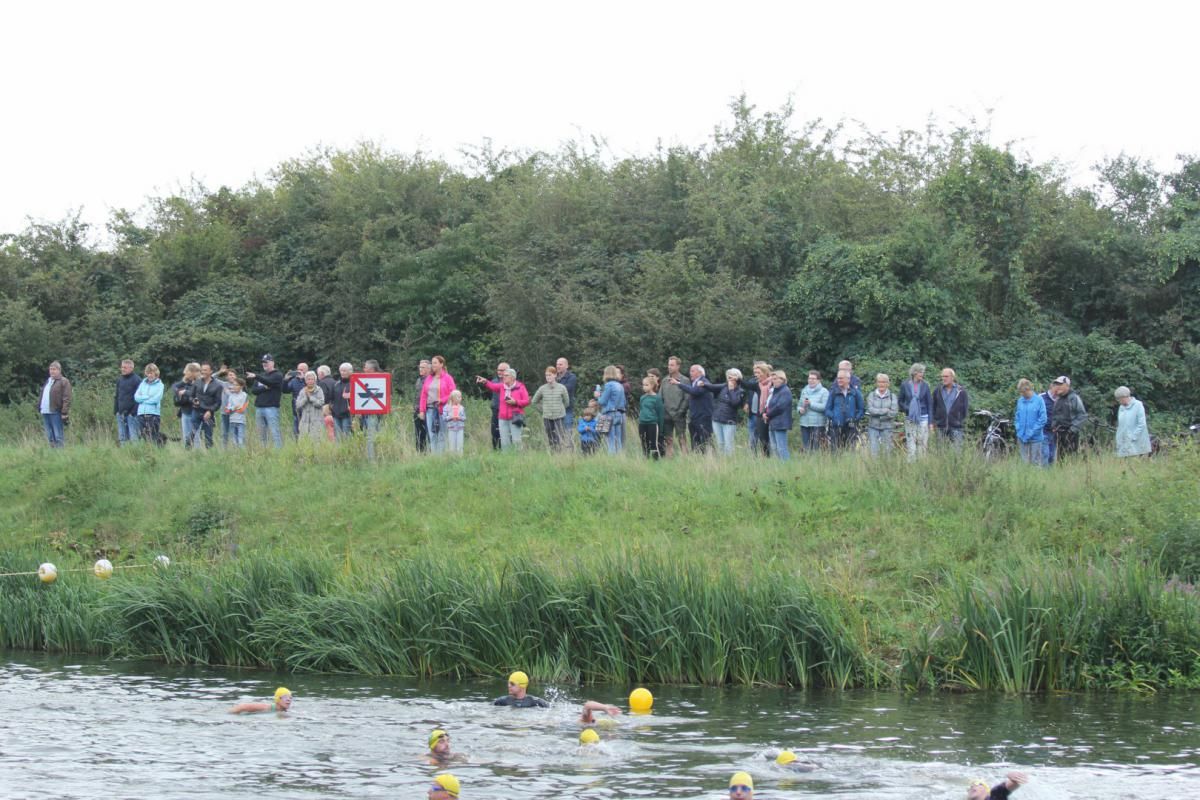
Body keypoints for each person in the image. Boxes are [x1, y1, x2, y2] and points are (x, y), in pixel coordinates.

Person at [480, 368, 530, 451]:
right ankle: (506, 457)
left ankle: (519, 458)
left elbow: (526, 401)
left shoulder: (520, 387)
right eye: (503, 375)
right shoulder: (502, 386)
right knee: (504, 441)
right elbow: (493, 386)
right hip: (502, 418)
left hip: (515, 417)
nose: (504, 377)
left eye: (506, 375)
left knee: (516, 440)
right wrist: (485, 381)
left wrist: (515, 402)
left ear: (513, 377)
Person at [674, 364, 716, 453]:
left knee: (705, 440)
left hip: (703, 417)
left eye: (692, 371)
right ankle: (697, 458)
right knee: (695, 441)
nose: (690, 373)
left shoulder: (704, 382)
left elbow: (695, 391)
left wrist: (679, 384)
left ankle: (710, 458)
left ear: (700, 373)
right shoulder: (694, 383)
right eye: (690, 371)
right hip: (694, 417)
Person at [245, 354, 284, 448]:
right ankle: (264, 451)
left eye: (266, 362)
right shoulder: (261, 376)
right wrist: (265, 387)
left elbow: (269, 382)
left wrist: (256, 377)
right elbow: (254, 390)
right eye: (263, 362)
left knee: (274, 432)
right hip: (259, 408)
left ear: (272, 363)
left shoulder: (277, 375)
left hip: (271, 408)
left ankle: (279, 452)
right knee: (261, 434)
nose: (264, 364)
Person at [421, 356, 456, 454]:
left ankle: (441, 456)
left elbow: (453, 393)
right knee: (432, 434)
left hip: (442, 410)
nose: (433, 365)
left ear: (441, 364)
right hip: (430, 410)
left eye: (435, 363)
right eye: (432, 363)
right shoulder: (429, 378)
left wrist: (442, 400)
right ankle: (434, 456)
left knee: (441, 434)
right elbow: (423, 395)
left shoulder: (448, 378)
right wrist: (422, 410)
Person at [898, 362, 932, 461]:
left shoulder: (925, 385)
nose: (922, 374)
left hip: (923, 417)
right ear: (914, 372)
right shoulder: (905, 385)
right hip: (910, 418)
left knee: (922, 444)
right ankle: (911, 466)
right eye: (920, 372)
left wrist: (930, 422)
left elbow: (930, 404)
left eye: (923, 372)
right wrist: (908, 409)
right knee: (911, 444)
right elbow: (900, 402)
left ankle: (921, 465)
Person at [530, 367, 571, 451]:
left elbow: (567, 402)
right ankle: (552, 453)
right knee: (550, 437)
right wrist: (543, 410)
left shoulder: (562, 388)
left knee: (559, 437)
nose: (548, 377)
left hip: (559, 417)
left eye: (550, 375)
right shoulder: (542, 388)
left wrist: (560, 409)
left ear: (555, 375)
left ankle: (560, 453)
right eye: (546, 375)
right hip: (547, 417)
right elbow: (534, 402)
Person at [35, 361, 72, 448]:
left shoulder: (64, 381)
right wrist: (39, 406)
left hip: (56, 411)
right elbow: (42, 394)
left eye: (54, 369)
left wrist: (64, 412)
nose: (52, 371)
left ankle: (60, 451)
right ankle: (52, 451)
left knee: (58, 434)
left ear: (59, 370)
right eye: (50, 369)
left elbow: (67, 398)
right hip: (45, 411)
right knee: (49, 434)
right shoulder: (48, 381)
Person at [825, 369, 864, 451]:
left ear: (848, 379)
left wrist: (855, 419)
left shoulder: (856, 393)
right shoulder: (833, 392)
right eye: (838, 378)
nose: (839, 380)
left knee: (850, 451)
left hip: (851, 427)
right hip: (836, 426)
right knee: (835, 452)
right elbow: (827, 409)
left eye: (841, 378)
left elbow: (861, 409)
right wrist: (834, 417)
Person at [1049, 376, 1087, 458]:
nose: (1058, 386)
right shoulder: (1058, 398)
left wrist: (1072, 430)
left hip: (1071, 434)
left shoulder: (1074, 398)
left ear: (1067, 385)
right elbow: (1055, 415)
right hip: (1059, 434)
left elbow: (1082, 415)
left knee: (1071, 459)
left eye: (1060, 384)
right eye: (1056, 384)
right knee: (1060, 459)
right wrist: (1053, 426)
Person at [711, 369, 745, 456]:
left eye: (732, 376)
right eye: (729, 376)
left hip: (729, 421)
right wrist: (703, 384)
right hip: (717, 419)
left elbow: (735, 403)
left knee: (728, 444)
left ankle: (729, 461)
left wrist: (731, 390)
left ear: (737, 378)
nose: (730, 378)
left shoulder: (740, 391)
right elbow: (711, 387)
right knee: (720, 443)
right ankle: (721, 461)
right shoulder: (723, 387)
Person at [660, 356, 690, 456]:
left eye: (672, 365)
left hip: (679, 414)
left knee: (682, 438)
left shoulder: (685, 380)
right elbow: (660, 397)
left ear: (678, 366)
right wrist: (663, 411)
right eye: (669, 365)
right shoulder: (664, 380)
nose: (669, 367)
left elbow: (687, 398)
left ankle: (686, 458)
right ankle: (669, 458)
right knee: (668, 439)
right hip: (666, 414)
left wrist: (680, 411)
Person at [932, 367, 969, 447]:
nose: (944, 378)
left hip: (956, 427)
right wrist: (935, 421)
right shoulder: (937, 390)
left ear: (952, 377)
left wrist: (959, 420)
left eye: (946, 376)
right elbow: (933, 407)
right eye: (942, 376)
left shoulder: (961, 391)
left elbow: (965, 409)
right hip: (941, 426)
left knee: (956, 452)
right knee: (940, 452)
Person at [761, 370, 794, 459]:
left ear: (782, 379)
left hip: (781, 423)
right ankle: (778, 465)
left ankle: (786, 465)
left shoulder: (785, 391)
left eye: (775, 379)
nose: (773, 381)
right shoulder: (775, 391)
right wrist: (764, 413)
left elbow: (780, 407)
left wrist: (767, 414)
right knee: (774, 447)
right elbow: (769, 405)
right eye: (772, 379)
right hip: (773, 422)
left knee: (781, 447)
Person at [1013, 378, 1047, 465]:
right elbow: (1017, 416)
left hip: (1035, 438)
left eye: (1023, 392)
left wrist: (1032, 432)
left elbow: (1043, 419)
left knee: (1035, 463)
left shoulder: (1039, 400)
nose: (1022, 394)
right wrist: (1018, 428)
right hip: (1021, 437)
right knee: (1024, 462)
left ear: (1028, 389)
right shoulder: (1020, 401)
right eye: (1020, 392)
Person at [744, 362, 774, 457]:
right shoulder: (755, 382)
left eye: (757, 372)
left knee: (766, 438)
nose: (755, 374)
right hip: (754, 413)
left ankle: (769, 456)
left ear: (764, 371)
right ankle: (753, 456)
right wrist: (747, 402)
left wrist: (766, 412)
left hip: (767, 414)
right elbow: (749, 392)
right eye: (754, 372)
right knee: (754, 437)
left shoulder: (772, 383)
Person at [192, 362, 224, 449]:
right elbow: (191, 396)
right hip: (196, 411)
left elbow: (218, 403)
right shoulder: (197, 382)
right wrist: (193, 401)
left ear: (211, 371)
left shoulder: (218, 386)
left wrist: (210, 411)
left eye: (205, 370)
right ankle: (187, 453)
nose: (203, 372)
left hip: (208, 413)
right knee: (191, 434)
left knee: (208, 437)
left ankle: (210, 454)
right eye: (202, 370)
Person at [865, 373, 898, 456]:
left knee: (887, 452)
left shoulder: (892, 396)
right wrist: (885, 410)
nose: (881, 384)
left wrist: (879, 416)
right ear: (876, 383)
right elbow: (870, 410)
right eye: (879, 382)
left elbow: (893, 412)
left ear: (888, 384)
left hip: (887, 427)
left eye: (884, 382)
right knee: (874, 453)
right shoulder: (871, 395)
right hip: (873, 427)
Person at [596, 366, 627, 454]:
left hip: (609, 414)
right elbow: (624, 402)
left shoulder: (608, 385)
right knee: (618, 439)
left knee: (610, 439)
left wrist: (598, 396)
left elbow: (602, 402)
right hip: (619, 414)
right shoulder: (620, 385)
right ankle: (620, 457)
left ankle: (612, 458)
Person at [1114, 386, 1151, 457]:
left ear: (1124, 397)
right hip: (1123, 443)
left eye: (1119, 399)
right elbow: (1121, 425)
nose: (1119, 402)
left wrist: (1133, 437)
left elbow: (1142, 424)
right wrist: (1119, 438)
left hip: (1137, 443)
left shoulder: (1138, 405)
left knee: (1136, 461)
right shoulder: (1121, 407)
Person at [796, 370, 828, 452]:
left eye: (813, 379)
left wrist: (811, 404)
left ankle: (816, 459)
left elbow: (825, 407)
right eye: (809, 378)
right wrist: (800, 410)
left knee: (816, 448)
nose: (811, 380)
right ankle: (807, 459)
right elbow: (799, 405)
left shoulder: (824, 391)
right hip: (804, 423)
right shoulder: (804, 390)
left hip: (818, 424)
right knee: (806, 447)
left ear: (819, 380)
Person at [134, 363, 164, 446]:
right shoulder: (142, 384)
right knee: (143, 436)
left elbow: (156, 399)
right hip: (141, 413)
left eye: (151, 373)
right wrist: (147, 397)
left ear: (155, 373)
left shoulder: (160, 385)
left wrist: (143, 400)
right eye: (148, 373)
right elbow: (136, 397)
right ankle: (146, 451)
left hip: (153, 414)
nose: (149, 375)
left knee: (153, 436)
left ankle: (154, 451)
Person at [171, 362, 201, 447]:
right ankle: (187, 452)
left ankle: (197, 452)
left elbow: (196, 393)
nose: (187, 375)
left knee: (195, 436)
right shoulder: (185, 382)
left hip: (196, 412)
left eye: (188, 373)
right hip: (185, 412)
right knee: (186, 436)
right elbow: (174, 387)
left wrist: (185, 392)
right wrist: (179, 391)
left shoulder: (199, 382)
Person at [114, 358, 142, 445]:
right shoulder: (119, 380)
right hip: (120, 413)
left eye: (125, 367)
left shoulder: (137, 380)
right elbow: (117, 395)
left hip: (133, 414)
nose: (122, 369)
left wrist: (133, 412)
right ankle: (124, 452)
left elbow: (139, 398)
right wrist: (116, 410)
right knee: (122, 437)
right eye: (122, 367)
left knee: (134, 437)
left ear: (131, 368)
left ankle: (135, 453)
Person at [295, 371, 326, 442]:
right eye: (308, 379)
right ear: (305, 381)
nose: (310, 381)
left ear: (315, 380)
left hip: (316, 420)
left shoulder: (319, 390)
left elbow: (321, 403)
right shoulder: (303, 391)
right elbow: (297, 405)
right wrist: (305, 399)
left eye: (312, 379)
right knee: (304, 441)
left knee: (316, 441)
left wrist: (311, 398)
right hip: (304, 421)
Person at [638, 375, 664, 458]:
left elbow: (660, 413)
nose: (644, 387)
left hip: (652, 424)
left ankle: (656, 459)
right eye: (643, 385)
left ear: (652, 386)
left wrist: (661, 429)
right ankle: (646, 458)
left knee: (653, 443)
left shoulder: (657, 398)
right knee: (644, 442)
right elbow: (641, 409)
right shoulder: (642, 398)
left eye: (646, 385)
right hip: (642, 423)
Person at [486, 361, 509, 451]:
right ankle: (495, 450)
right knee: (495, 431)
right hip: (496, 410)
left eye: (502, 370)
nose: (499, 372)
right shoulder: (494, 381)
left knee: (506, 432)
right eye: (498, 370)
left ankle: (507, 450)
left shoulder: (512, 382)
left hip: (507, 411)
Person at [283, 362, 309, 440]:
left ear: (306, 370)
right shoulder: (294, 380)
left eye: (301, 370)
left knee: (308, 432)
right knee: (296, 432)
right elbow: (285, 390)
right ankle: (297, 445)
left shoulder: (311, 379)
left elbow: (313, 389)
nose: (299, 371)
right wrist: (285, 380)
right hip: (296, 410)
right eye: (298, 369)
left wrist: (304, 379)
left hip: (308, 410)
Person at [331, 362, 355, 441]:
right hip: (336, 414)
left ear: (350, 371)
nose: (342, 373)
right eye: (341, 371)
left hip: (348, 414)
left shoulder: (354, 383)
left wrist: (351, 396)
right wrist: (331, 408)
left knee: (347, 437)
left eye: (344, 371)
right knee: (338, 437)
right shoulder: (336, 384)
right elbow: (332, 398)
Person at [222, 377, 249, 448]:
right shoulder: (231, 396)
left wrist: (232, 409)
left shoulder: (244, 395)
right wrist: (233, 408)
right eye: (233, 385)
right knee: (233, 440)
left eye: (236, 385)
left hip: (241, 421)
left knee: (240, 440)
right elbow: (227, 410)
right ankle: (235, 453)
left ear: (241, 386)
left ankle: (242, 453)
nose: (234, 386)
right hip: (232, 420)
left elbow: (242, 409)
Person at [556, 357, 578, 435]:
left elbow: (566, 389)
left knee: (568, 432)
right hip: (555, 409)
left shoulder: (572, 377)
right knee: (556, 433)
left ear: (566, 366)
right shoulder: (554, 377)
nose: (558, 366)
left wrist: (554, 388)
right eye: (557, 364)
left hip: (567, 409)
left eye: (560, 364)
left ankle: (568, 443)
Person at [442, 390, 466, 454]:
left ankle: (460, 458)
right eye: (459, 397)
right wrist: (451, 417)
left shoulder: (461, 408)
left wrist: (459, 418)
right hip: (451, 428)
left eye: (461, 397)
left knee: (460, 445)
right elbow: (444, 418)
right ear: (453, 398)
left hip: (460, 428)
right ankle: (452, 458)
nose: (460, 398)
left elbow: (464, 418)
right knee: (452, 446)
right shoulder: (447, 407)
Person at [1040, 382, 1057, 465]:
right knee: (1045, 455)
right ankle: (1044, 472)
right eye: (1056, 388)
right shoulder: (1041, 397)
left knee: (1052, 456)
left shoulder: (1060, 399)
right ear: (1051, 387)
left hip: (1054, 433)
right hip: (1043, 431)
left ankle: (1050, 473)